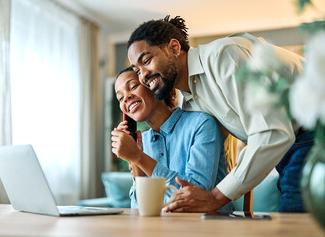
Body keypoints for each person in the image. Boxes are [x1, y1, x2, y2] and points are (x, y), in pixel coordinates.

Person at [126, 16, 314, 213]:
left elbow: (272, 132)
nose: (143, 75)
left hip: (314, 128)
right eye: (137, 70)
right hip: (291, 142)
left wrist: (216, 197)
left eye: (146, 61)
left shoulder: (224, 57)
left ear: (174, 48)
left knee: (295, 223)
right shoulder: (190, 104)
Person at [111, 67, 233, 212]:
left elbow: (196, 196)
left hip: (209, 229)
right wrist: (137, 167)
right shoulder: (141, 142)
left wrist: (139, 158)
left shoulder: (201, 124)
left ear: (155, 86)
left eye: (133, 87)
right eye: (120, 97)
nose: (126, 98)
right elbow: (139, 211)